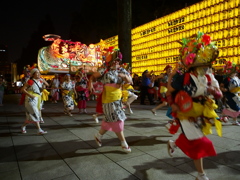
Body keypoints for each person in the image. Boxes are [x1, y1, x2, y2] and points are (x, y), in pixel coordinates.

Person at [166, 32, 223, 180]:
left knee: (193, 137)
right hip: (186, 111)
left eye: (206, 66)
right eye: (202, 66)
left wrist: (216, 92)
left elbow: (217, 91)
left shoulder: (209, 76)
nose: (205, 69)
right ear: (192, 66)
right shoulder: (183, 77)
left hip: (202, 111)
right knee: (198, 141)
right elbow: (171, 91)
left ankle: (173, 143)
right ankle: (201, 174)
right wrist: (173, 104)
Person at [89, 49, 132, 153]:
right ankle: (123, 143)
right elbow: (93, 76)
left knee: (110, 120)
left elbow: (130, 81)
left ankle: (98, 135)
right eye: (115, 60)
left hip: (118, 99)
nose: (116, 62)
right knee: (118, 120)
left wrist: (124, 76)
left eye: (118, 60)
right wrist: (90, 84)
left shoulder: (122, 70)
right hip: (108, 99)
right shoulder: (105, 69)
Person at [20, 68, 49, 134]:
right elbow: (23, 89)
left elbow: (44, 87)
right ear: (33, 74)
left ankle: (23, 126)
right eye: (37, 73)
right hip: (30, 99)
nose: (39, 74)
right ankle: (39, 130)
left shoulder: (40, 81)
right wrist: (30, 95)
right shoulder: (30, 81)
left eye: (39, 73)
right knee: (35, 113)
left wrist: (44, 83)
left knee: (31, 116)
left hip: (37, 98)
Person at [219, 61, 240, 126]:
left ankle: (233, 120)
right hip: (230, 96)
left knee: (234, 108)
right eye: (232, 72)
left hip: (236, 95)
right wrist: (224, 89)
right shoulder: (227, 79)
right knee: (235, 108)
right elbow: (221, 86)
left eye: (234, 72)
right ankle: (233, 120)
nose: (233, 73)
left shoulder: (236, 78)